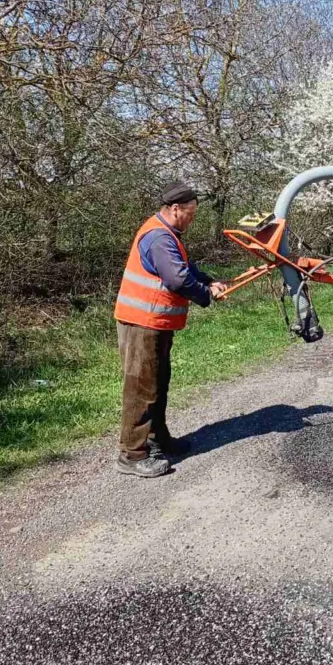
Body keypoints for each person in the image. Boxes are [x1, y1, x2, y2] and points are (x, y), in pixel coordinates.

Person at [114, 182, 226, 477]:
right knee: (142, 389)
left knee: (158, 384)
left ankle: (157, 439)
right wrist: (205, 294)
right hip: (142, 323)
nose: (193, 219)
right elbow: (178, 280)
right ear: (175, 209)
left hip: (156, 323)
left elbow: (186, 268)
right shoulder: (159, 238)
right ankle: (132, 454)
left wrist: (209, 279)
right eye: (191, 213)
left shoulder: (168, 234)